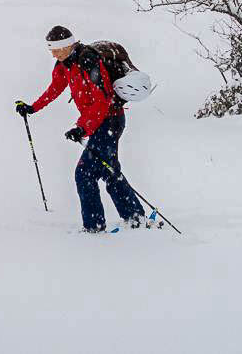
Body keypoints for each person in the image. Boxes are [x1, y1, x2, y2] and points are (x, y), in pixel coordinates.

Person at [15, 25, 146, 232]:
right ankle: (134, 216)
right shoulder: (63, 65)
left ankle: (94, 226)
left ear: (68, 45)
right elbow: (55, 88)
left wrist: (81, 128)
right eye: (51, 49)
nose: (53, 53)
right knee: (109, 171)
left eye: (57, 49)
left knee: (84, 173)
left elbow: (102, 101)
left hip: (110, 121)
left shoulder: (88, 61)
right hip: (97, 123)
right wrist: (33, 107)